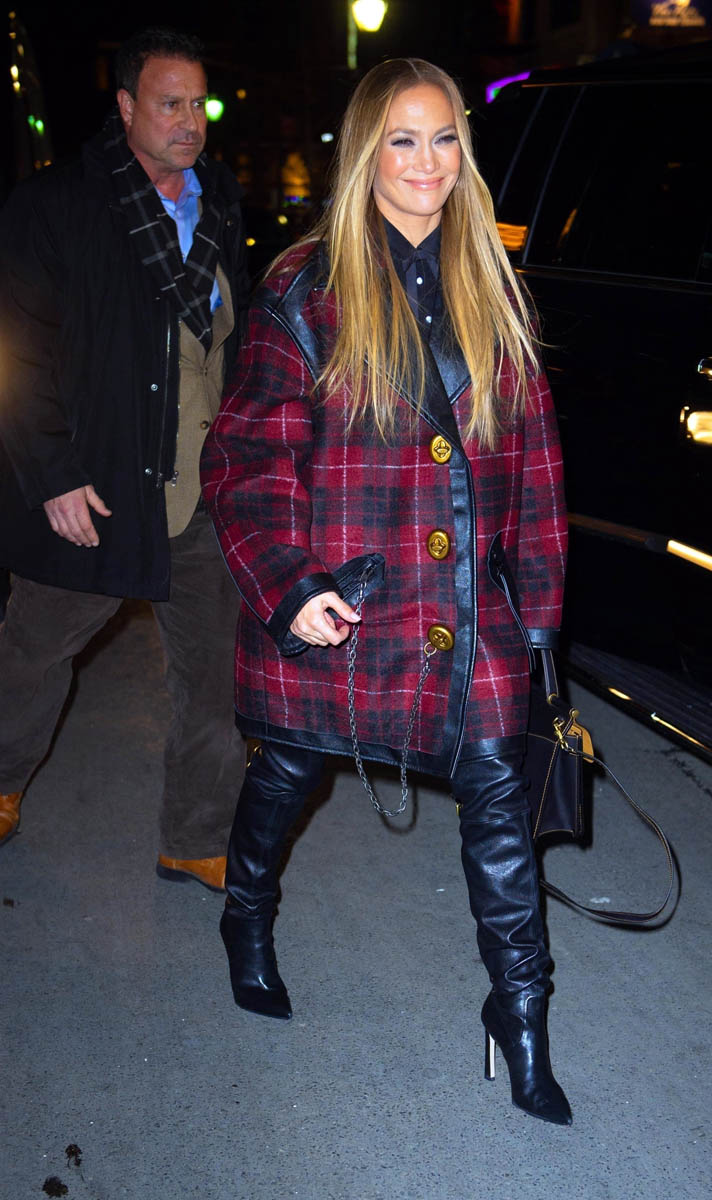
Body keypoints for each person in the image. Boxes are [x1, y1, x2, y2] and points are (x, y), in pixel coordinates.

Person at [201, 58, 571, 1123]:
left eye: (445, 137)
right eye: (403, 139)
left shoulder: (494, 283)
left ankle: (520, 1014)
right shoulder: (306, 287)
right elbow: (245, 460)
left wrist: (537, 619)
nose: (427, 162)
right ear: (368, 152)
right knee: (289, 772)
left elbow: (537, 465)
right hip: (345, 598)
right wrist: (289, 586)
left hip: (467, 605)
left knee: (499, 796)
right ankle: (246, 911)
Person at [0, 28, 248, 889]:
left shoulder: (219, 203)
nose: (189, 121)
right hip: (97, 485)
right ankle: (0, 783)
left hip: (204, 486)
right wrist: (53, 474)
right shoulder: (57, 205)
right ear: (125, 107)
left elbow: (228, 341)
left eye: (198, 104)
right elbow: (18, 350)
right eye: (170, 103)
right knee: (34, 655)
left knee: (216, 678)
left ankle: (196, 837)